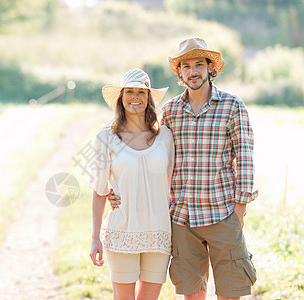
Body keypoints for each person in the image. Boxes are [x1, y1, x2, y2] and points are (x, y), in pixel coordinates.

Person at [109, 38, 258, 300]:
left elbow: (245, 158)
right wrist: (116, 186)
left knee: (231, 292)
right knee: (192, 293)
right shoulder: (170, 111)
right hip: (182, 218)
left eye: (199, 64)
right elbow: (146, 154)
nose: (193, 71)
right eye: (186, 66)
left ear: (210, 68)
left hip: (222, 213)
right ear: (179, 72)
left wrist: (240, 209)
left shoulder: (232, 106)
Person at [88, 68, 175, 300]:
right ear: (121, 97)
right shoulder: (105, 138)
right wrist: (95, 237)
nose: (135, 97)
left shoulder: (165, 136)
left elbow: (173, 183)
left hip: (159, 231)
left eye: (141, 92)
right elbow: (99, 190)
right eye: (129, 92)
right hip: (122, 230)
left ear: (148, 99)